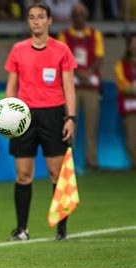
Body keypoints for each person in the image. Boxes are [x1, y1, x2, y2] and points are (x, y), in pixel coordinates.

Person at [4, 2, 77, 241]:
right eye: (32, 17)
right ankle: (22, 229)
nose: (36, 21)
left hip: (54, 116)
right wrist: (8, 116)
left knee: (57, 173)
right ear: (28, 22)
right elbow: (11, 86)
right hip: (24, 116)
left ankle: (62, 229)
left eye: (40, 17)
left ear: (49, 21)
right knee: (23, 174)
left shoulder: (62, 50)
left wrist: (71, 118)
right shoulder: (18, 50)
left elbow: (68, 87)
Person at [57, 2, 104, 170]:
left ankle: (92, 162)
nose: (79, 18)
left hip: (90, 87)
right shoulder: (64, 36)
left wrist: (88, 73)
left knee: (92, 126)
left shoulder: (95, 34)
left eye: (82, 14)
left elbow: (99, 57)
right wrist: (78, 73)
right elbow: (63, 58)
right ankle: (68, 163)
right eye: (76, 14)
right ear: (72, 17)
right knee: (69, 126)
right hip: (72, 88)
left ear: (87, 16)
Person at [114, 33, 136, 170]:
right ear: (128, 46)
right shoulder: (120, 64)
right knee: (131, 140)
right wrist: (131, 90)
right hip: (130, 109)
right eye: (133, 44)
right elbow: (121, 85)